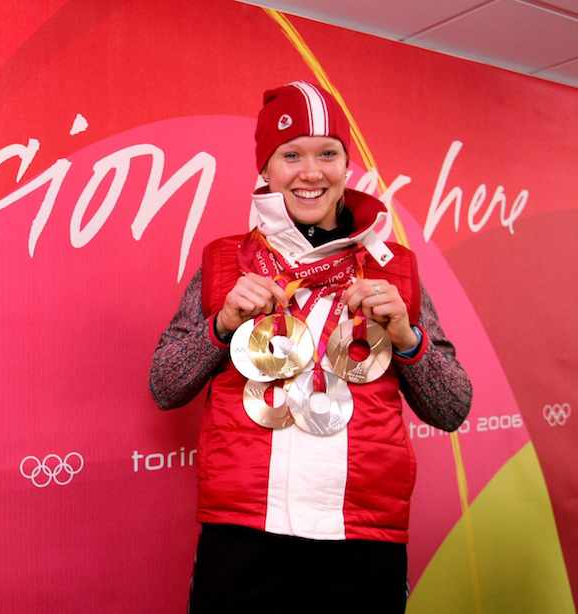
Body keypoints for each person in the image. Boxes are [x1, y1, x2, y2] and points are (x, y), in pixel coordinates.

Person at [149, 81, 472, 612]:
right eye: (291, 154)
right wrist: (222, 323)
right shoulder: (224, 262)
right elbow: (165, 385)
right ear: (266, 169)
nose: (310, 171)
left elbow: (452, 406)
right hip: (245, 530)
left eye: (328, 153)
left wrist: (407, 339)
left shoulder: (394, 268)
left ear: (347, 167)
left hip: (362, 535)